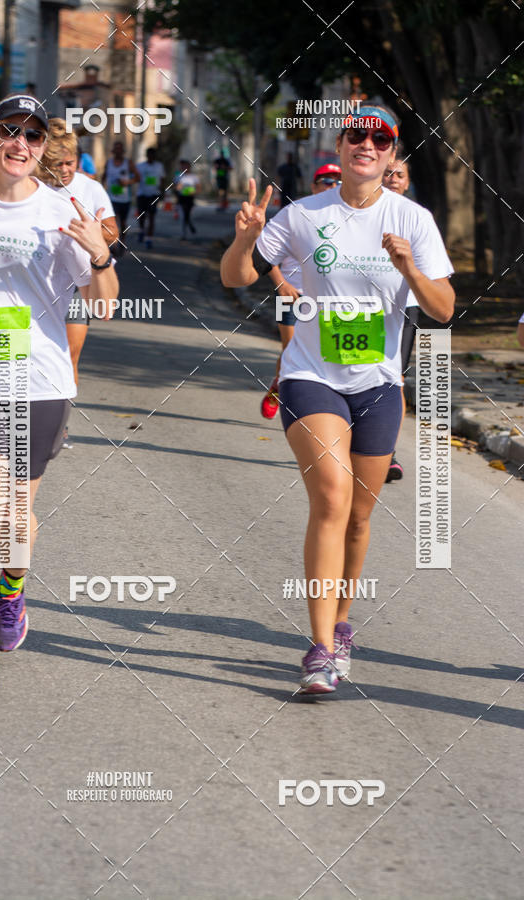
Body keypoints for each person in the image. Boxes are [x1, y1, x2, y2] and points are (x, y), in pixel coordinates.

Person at [221, 106, 454, 694]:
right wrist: (246, 240)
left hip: (378, 385)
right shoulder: (304, 214)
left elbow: (444, 309)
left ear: (392, 153)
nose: (367, 145)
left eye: (380, 139)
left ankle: (343, 621)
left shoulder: (413, 220)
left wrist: (409, 267)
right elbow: (235, 278)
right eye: (357, 135)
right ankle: (320, 649)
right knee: (331, 495)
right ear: (342, 143)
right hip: (311, 376)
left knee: (358, 517)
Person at [0, 93, 118, 689]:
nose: (20, 144)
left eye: (32, 137)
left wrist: (100, 253)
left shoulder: (62, 213)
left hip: (38, 380)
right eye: (9, 131)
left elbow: (104, 305)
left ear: (41, 150)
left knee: (15, 513)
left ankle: (13, 591)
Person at [36, 118, 118, 404]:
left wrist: (92, 235)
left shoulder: (90, 188)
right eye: (58, 164)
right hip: (37, 281)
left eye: (70, 162)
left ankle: (60, 419)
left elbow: (112, 232)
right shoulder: (31, 188)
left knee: (69, 352)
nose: (65, 169)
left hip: (79, 281)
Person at [262, 163, 342, 418]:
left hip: (326, 300)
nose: (332, 186)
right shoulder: (296, 213)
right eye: (327, 181)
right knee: (291, 349)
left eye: (337, 182)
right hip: (291, 294)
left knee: (326, 355)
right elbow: (266, 258)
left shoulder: (345, 218)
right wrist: (281, 284)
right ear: (313, 185)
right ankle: (281, 391)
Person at [382, 155, 417, 482]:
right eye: (388, 172)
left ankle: (388, 452)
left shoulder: (417, 219)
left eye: (400, 174)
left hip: (406, 307)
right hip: (364, 308)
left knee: (395, 378)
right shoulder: (364, 212)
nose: (393, 178)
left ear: (407, 182)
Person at [103, 141, 139, 251]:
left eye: (120, 149)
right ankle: (114, 243)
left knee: (122, 222)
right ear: (113, 151)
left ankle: (122, 241)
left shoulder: (128, 163)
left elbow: (138, 178)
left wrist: (127, 182)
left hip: (124, 199)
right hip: (111, 198)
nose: (118, 151)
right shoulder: (108, 163)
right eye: (116, 149)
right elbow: (104, 177)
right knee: (114, 220)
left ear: (123, 151)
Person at [136, 147, 165, 249]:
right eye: (149, 155)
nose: (151, 157)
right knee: (142, 216)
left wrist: (162, 192)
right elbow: (135, 178)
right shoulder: (140, 166)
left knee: (152, 217)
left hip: (154, 195)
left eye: (153, 155)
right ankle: (141, 230)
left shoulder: (159, 166)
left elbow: (162, 179)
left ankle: (149, 239)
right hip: (142, 194)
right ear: (147, 155)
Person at [175, 159, 200, 240]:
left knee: (188, 215)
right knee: (183, 216)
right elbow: (175, 187)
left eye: (186, 166)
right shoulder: (178, 176)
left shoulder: (194, 177)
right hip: (181, 198)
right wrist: (178, 188)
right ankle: (183, 233)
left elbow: (198, 188)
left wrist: (194, 192)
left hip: (190, 198)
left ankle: (190, 225)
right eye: (183, 166)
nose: (184, 168)